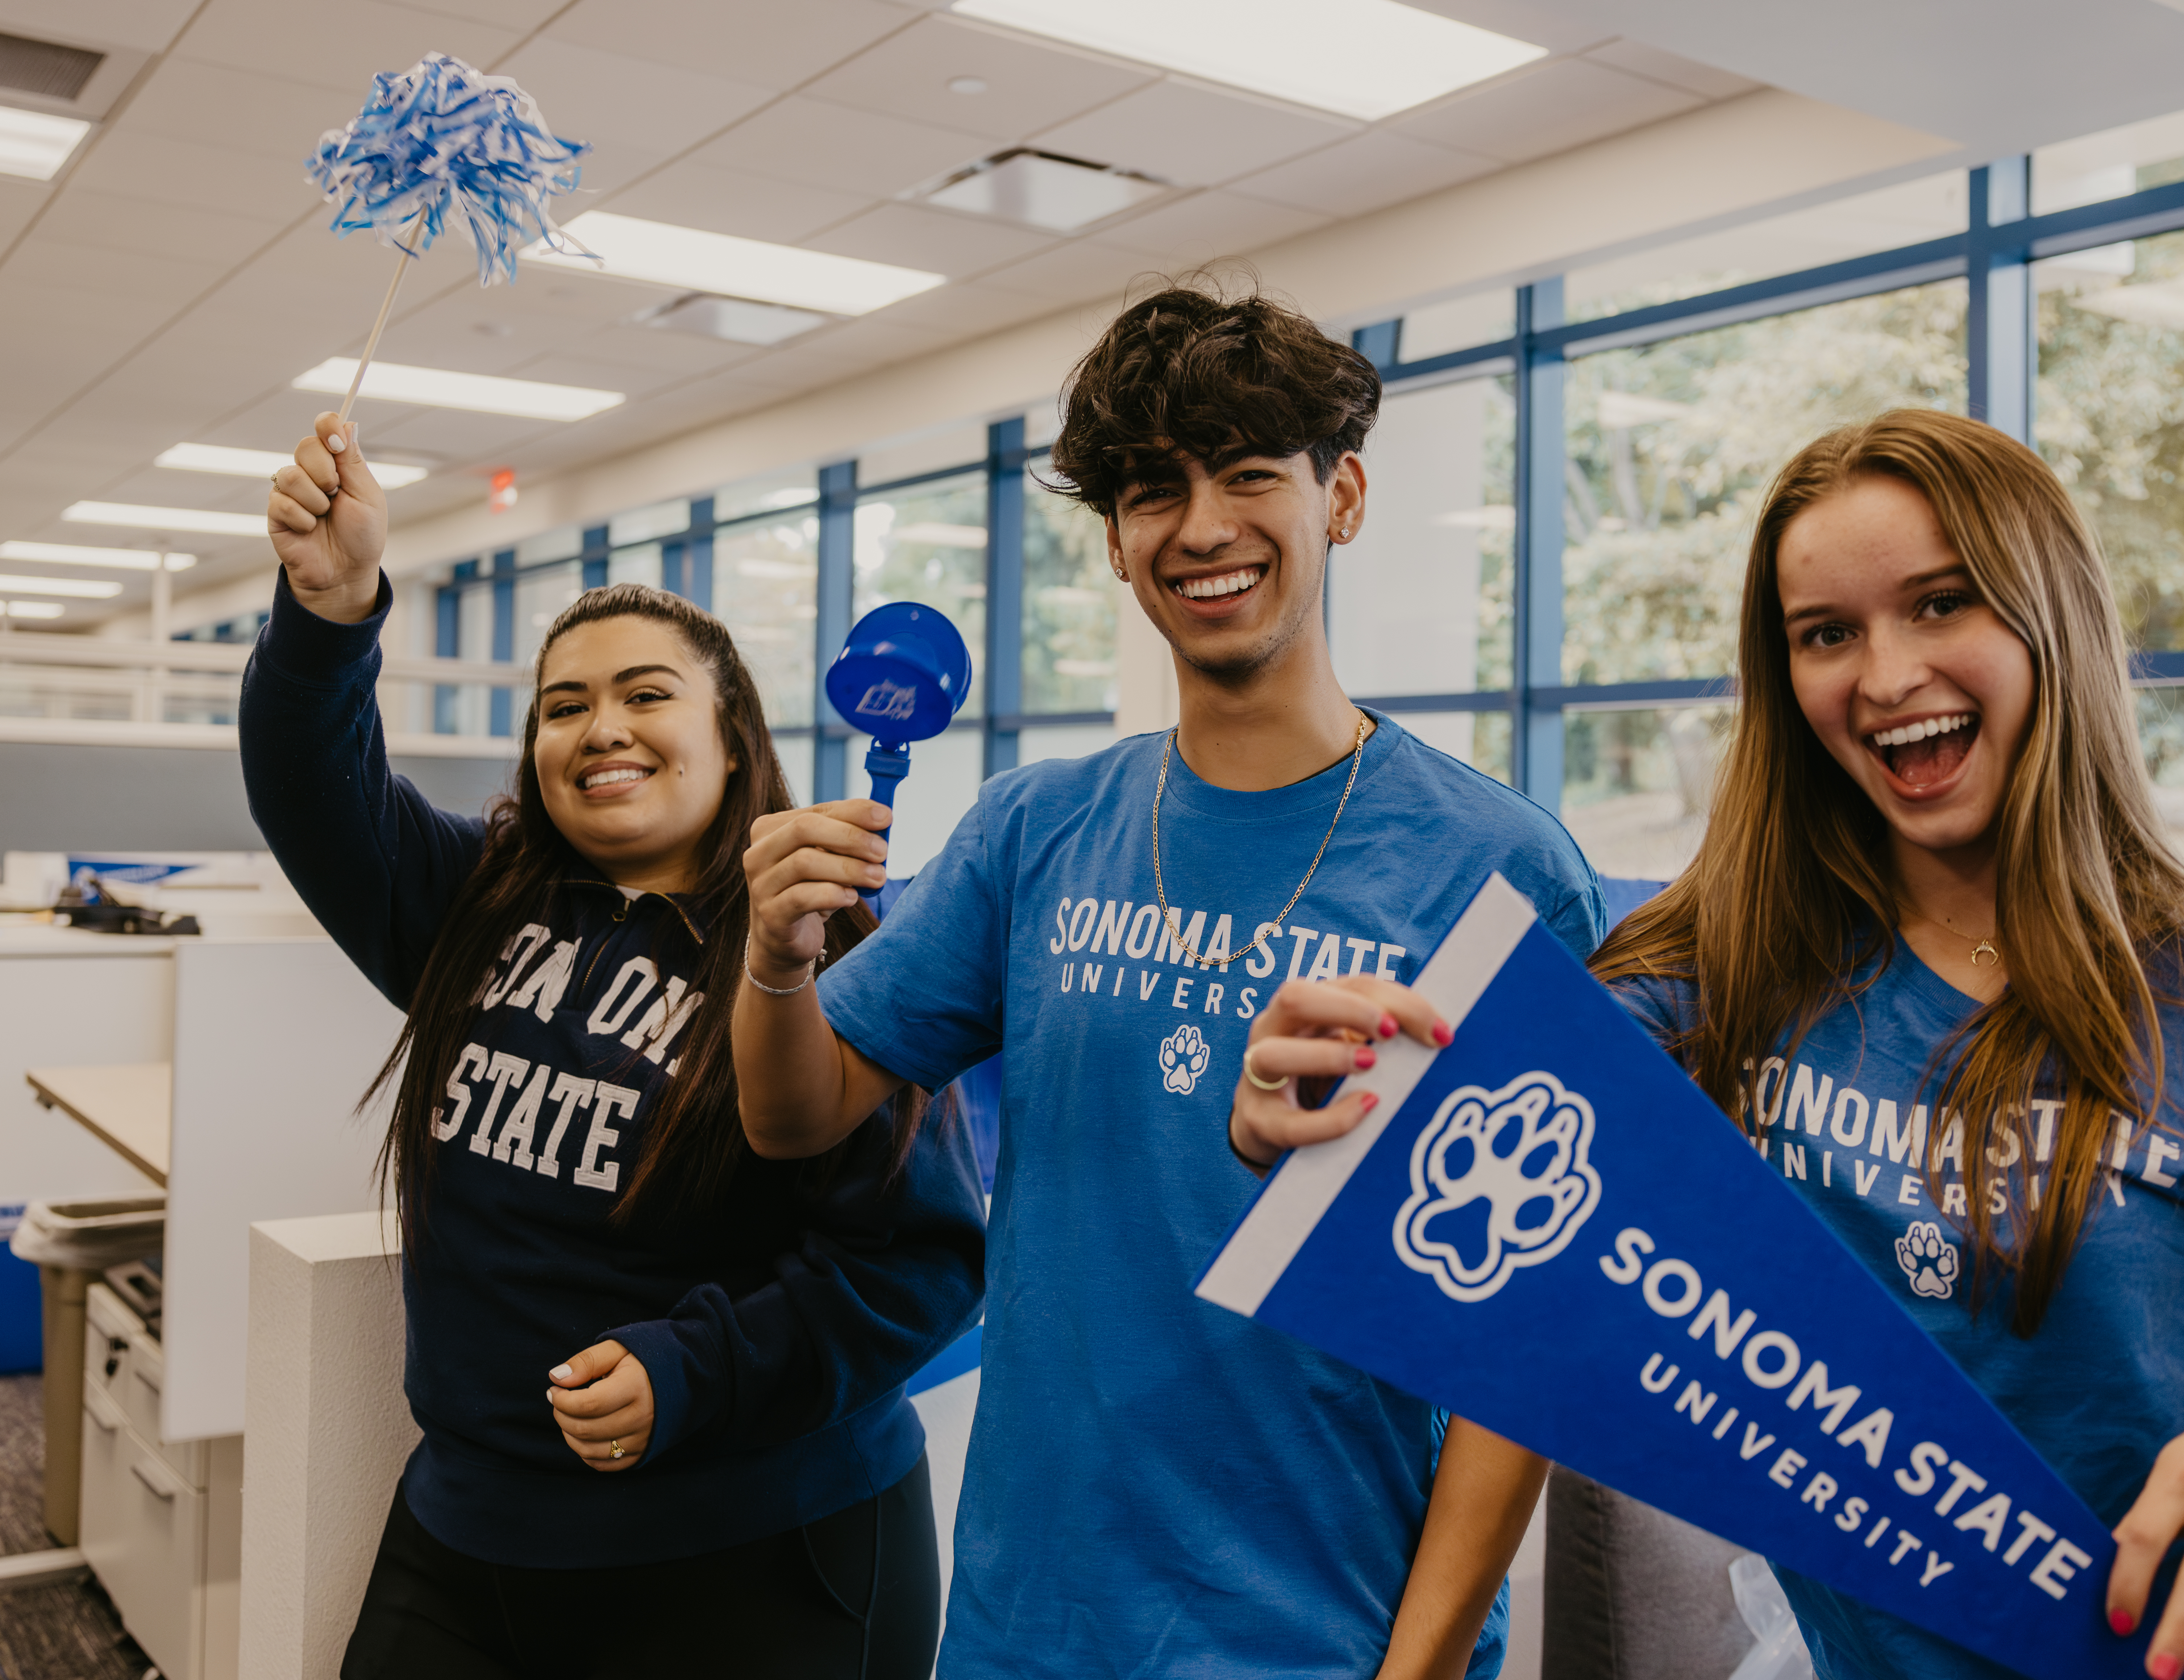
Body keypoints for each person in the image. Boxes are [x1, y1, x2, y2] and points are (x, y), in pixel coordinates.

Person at [735, 279, 1605, 1678]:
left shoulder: (1500, 866)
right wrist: (775, 964)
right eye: (1154, 490)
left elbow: (1538, 1332)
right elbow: (795, 1113)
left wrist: (1424, 1667)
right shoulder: (1035, 829)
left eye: (1251, 474)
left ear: (1346, 497)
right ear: (1118, 544)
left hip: (1330, 1630)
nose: (1201, 526)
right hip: (1030, 1624)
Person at [1573, 409, 2184, 1679]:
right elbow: (1434, 1176)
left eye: (1942, 605)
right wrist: (1321, 1094)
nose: (1884, 677)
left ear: (2049, 618)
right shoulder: (1710, 981)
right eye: (1827, 633)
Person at [247, 411, 986, 1680]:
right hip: (470, 1528)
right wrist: (329, 609)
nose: (602, 730)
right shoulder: (475, 901)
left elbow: (914, 1269)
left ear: (732, 729)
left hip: (760, 1552)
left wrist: (696, 1370)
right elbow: (313, 784)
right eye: (564, 706)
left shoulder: (822, 947)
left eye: (648, 695)